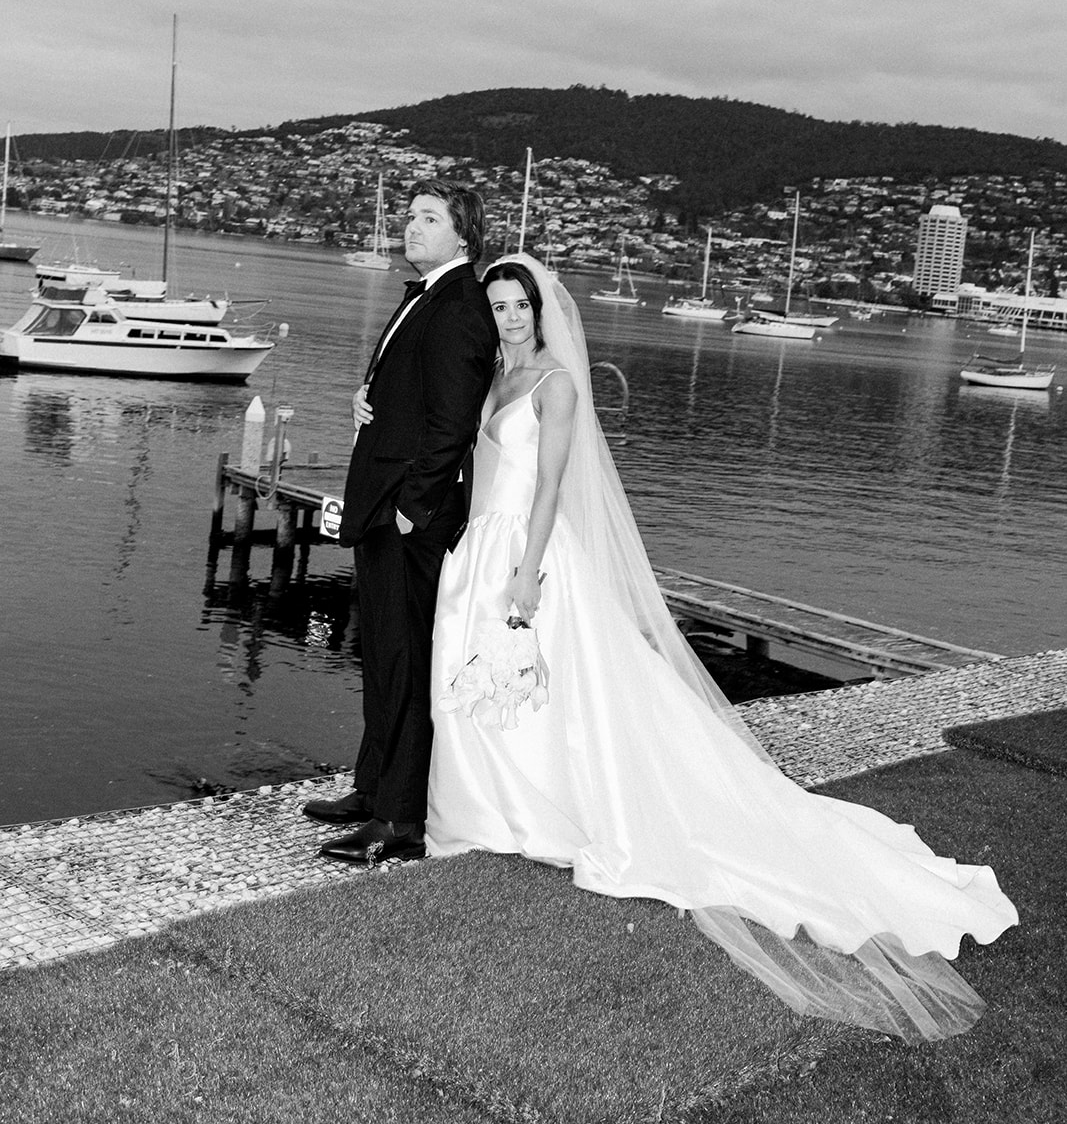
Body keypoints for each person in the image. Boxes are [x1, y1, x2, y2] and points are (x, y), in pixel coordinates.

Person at [427, 252, 1018, 1042]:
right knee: (482, 687)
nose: (508, 319)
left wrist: (527, 573)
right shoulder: (495, 377)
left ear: (540, 312)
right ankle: (491, 812)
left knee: (545, 690)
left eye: (518, 306)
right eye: (497, 306)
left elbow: (548, 487)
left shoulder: (555, 385)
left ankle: (541, 813)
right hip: (479, 547)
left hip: (523, 555)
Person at [303, 180, 498, 865]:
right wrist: (368, 396)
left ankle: (401, 819)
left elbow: (452, 424)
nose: (410, 226)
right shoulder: (426, 297)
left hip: (408, 515)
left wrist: (413, 510)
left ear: (463, 234)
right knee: (382, 654)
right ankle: (372, 788)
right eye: (409, 215)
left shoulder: (460, 307)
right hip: (382, 505)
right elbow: (415, 396)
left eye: (428, 218)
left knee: (405, 661)